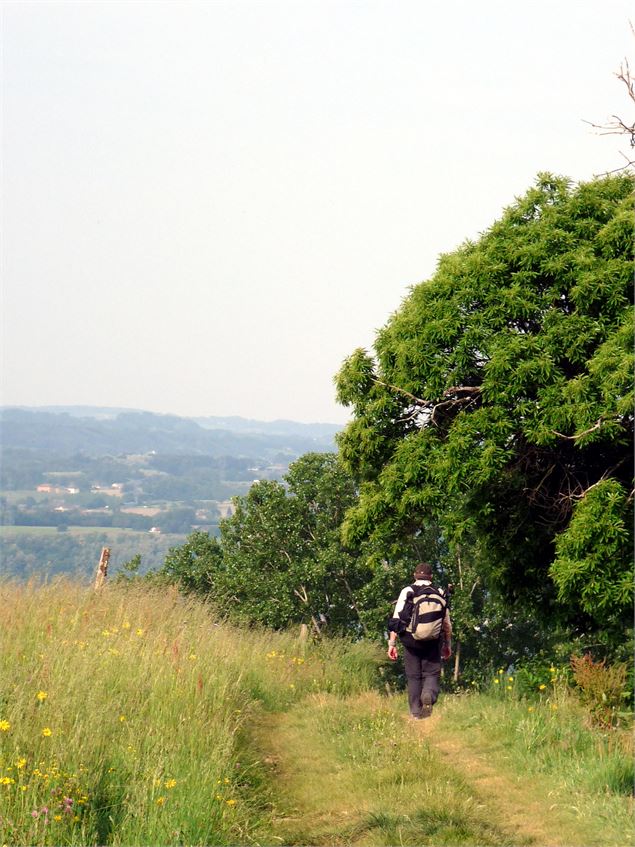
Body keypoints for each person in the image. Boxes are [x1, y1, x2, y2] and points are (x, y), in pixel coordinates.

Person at [387, 562, 452, 719]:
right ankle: (428, 693)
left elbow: (397, 619)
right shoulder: (440, 591)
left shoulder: (408, 591)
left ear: (414, 575)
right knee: (431, 672)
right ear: (431, 577)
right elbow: (446, 623)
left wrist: (392, 643)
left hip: (410, 640)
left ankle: (416, 713)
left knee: (413, 675)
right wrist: (447, 644)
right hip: (433, 640)